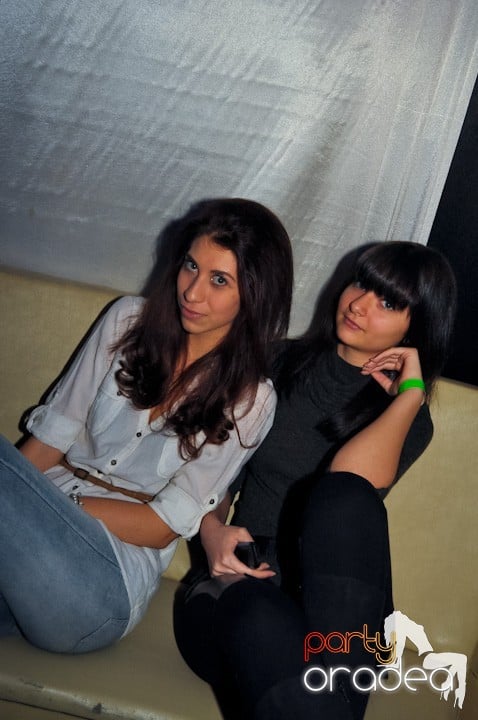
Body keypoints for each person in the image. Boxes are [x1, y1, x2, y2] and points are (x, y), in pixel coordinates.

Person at [173, 241, 457, 720]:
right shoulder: (274, 363)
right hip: (238, 586)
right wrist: (211, 530)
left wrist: (409, 398)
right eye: (361, 284)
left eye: (388, 302)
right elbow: (216, 473)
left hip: (334, 606)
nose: (359, 304)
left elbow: (347, 488)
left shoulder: (409, 418)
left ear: (418, 328)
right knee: (262, 616)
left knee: (345, 497)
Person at [0, 197, 294, 654]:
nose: (192, 293)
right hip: (23, 561)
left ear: (254, 296)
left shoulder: (250, 400)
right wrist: (21, 505)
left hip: (100, 585)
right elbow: (51, 438)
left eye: (219, 280)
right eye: (191, 266)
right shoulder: (127, 321)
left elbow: (163, 525)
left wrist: (52, 505)